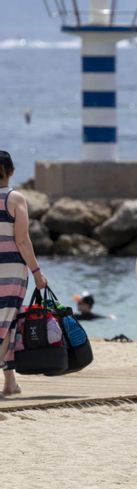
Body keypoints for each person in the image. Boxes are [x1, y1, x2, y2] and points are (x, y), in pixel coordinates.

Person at [0, 150, 48, 396]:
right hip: (10, 271)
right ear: (12, 171)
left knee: (7, 323)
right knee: (6, 324)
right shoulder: (15, 198)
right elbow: (22, 240)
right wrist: (37, 272)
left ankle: (10, 383)